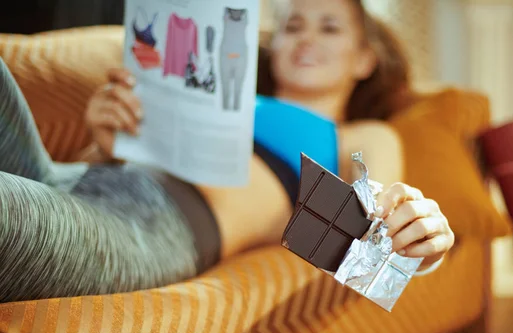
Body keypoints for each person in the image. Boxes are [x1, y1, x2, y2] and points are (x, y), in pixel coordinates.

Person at [0, 0, 454, 303]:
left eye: (330, 28)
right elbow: (82, 179)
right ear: (271, 48)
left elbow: (380, 221)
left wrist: (423, 243)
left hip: (155, 227)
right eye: (292, 26)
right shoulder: (225, 97)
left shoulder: (359, 133)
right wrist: (104, 142)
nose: (306, 39)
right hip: (71, 180)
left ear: (363, 59)